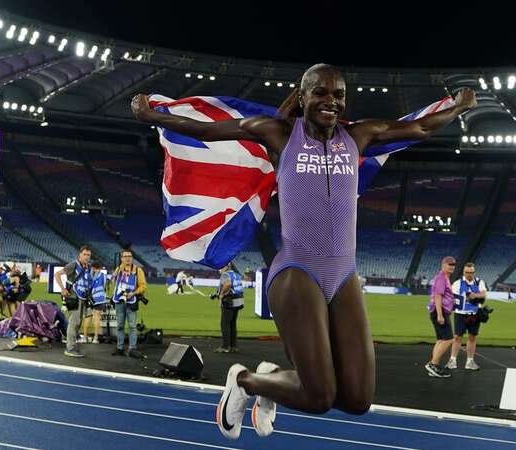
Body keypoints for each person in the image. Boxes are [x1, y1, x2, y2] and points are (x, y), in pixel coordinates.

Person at [131, 63, 476, 440]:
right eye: (321, 93)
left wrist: (458, 107)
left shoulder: (358, 136)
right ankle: (245, 381)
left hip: (344, 275)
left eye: (339, 95)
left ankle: (270, 379)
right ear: (303, 94)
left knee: (358, 400)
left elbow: (421, 127)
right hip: (297, 270)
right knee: (319, 395)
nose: (331, 102)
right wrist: (153, 116)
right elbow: (208, 131)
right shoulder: (279, 133)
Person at [447, 262, 487, 371]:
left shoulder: (480, 282)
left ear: (474, 272)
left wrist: (474, 295)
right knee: (457, 337)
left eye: (471, 272)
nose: (469, 274)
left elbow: (483, 294)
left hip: (474, 314)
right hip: (461, 313)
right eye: (466, 272)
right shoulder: (457, 283)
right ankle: (452, 360)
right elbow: (451, 297)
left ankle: (470, 361)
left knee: (472, 337)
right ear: (463, 272)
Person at [55, 245, 93, 358]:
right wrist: (63, 289)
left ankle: (72, 345)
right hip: (73, 298)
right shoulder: (73, 265)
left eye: (89, 255)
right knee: (74, 323)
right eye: (85, 254)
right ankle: (70, 348)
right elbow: (57, 274)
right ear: (80, 255)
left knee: (78, 323)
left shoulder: (87, 267)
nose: (87, 257)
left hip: (82, 298)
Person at [110, 249, 147, 359]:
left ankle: (132, 349)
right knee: (120, 326)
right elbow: (113, 282)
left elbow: (143, 286)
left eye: (130, 256)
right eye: (125, 256)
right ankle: (120, 348)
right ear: (122, 258)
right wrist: (114, 275)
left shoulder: (137, 270)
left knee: (132, 326)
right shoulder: (119, 269)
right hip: (119, 301)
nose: (128, 258)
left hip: (131, 301)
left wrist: (133, 293)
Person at [426, 256, 456, 378]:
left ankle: (435, 367)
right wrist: (440, 314)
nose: (452, 266)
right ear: (443, 265)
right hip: (440, 311)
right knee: (449, 339)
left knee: (440, 340)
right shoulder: (441, 278)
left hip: (441, 311)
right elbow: (438, 296)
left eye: (453, 264)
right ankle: (432, 364)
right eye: (449, 264)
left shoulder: (444, 277)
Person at [213, 262, 245, 353]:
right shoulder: (236, 274)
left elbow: (227, 284)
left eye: (221, 266)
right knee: (232, 324)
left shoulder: (225, 274)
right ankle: (233, 346)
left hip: (229, 302)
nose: (219, 268)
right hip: (238, 301)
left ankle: (225, 347)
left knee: (225, 324)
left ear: (227, 266)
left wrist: (222, 294)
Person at [82, 261, 107, 344]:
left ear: (92, 267)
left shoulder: (89, 275)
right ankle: (95, 338)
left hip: (90, 298)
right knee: (97, 318)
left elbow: (86, 286)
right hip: (100, 298)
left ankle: (85, 338)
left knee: (87, 317)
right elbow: (104, 286)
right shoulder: (103, 276)